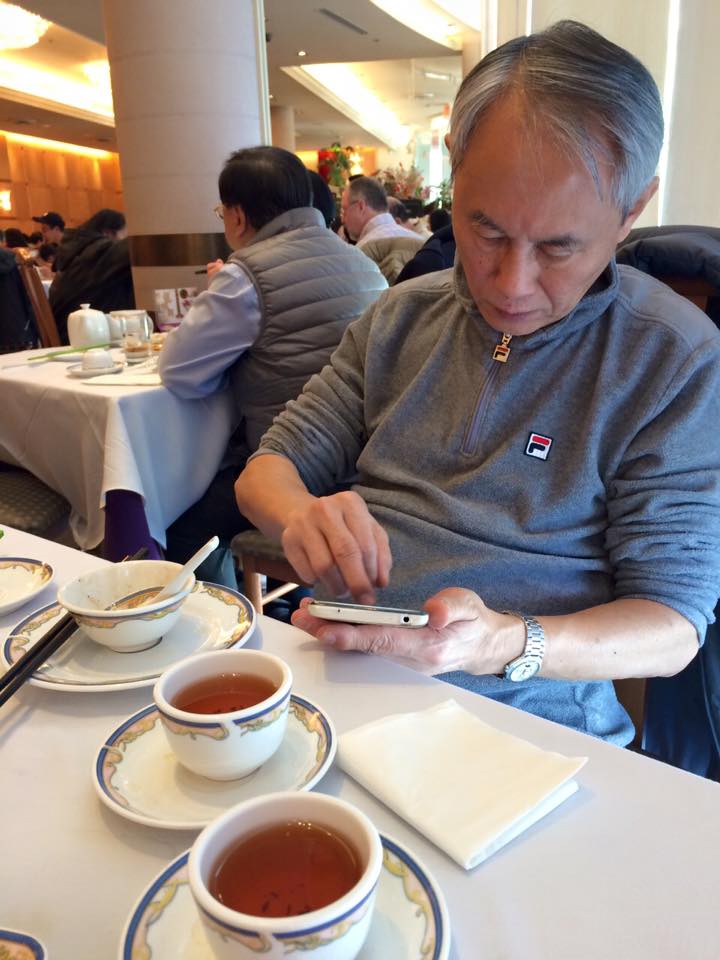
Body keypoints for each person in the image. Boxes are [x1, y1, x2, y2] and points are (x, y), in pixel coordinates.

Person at [235, 20, 720, 746]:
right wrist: (300, 514)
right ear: (454, 175)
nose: (511, 284)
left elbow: (672, 626)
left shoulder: (670, 359)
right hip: (339, 685)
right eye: (486, 230)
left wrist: (499, 642)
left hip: (531, 727)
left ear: (631, 212)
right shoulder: (399, 317)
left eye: (558, 247)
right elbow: (266, 470)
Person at [159, 146, 387, 586]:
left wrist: (215, 294)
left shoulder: (245, 276)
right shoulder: (363, 262)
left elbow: (179, 371)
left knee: (182, 523)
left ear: (237, 216)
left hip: (294, 468)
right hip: (370, 460)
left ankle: (225, 615)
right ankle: (277, 593)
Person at [49, 209, 133, 343]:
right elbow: (139, 245)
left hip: (71, 333)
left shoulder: (78, 253)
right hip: (83, 340)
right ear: (109, 233)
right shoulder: (99, 253)